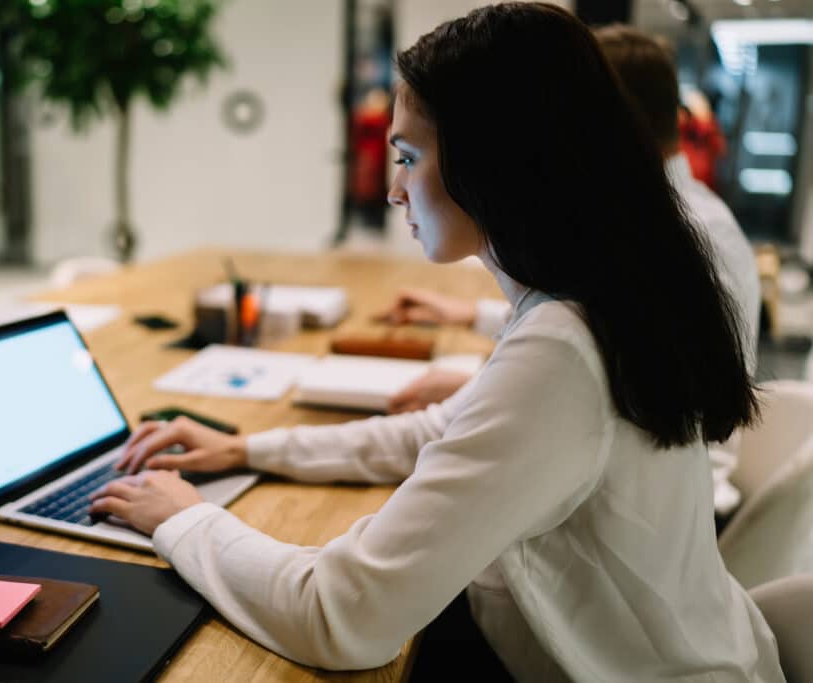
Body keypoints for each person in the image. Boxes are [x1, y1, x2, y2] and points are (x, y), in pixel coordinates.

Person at [89, 5, 782, 680]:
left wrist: (185, 519)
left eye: (409, 156)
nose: (393, 190)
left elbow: (341, 614)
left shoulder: (564, 349)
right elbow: (440, 431)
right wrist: (246, 450)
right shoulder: (596, 298)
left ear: (494, 162)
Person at [380, 25, 761, 518]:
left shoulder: (681, 228)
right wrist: (477, 336)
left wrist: (487, 386)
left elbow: (589, 364)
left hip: (679, 507)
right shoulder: (657, 219)